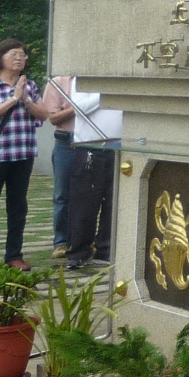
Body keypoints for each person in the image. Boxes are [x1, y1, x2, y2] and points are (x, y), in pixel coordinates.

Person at [0, 38, 55, 269]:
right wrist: (13, 99)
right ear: (1, 58)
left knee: (18, 207)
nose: (19, 59)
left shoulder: (30, 86)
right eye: (13, 54)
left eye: (22, 55)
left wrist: (25, 98)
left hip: (23, 154)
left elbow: (43, 115)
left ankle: (14, 255)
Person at [64, 77, 121, 271]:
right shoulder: (84, 78)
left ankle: (106, 249)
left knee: (114, 202)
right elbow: (79, 108)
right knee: (84, 203)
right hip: (90, 147)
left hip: (120, 147)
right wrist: (106, 90)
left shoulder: (124, 79)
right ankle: (78, 252)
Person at [45, 75, 77, 260]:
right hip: (66, 141)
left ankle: (83, 240)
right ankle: (61, 241)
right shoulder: (59, 81)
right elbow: (53, 117)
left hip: (94, 141)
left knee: (88, 194)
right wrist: (79, 107)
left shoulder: (97, 79)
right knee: (61, 194)